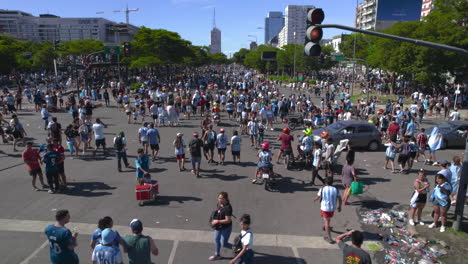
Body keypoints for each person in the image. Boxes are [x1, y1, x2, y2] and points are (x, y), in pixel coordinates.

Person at [315, 177, 342, 244]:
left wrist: (314, 199)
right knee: (328, 219)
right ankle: (325, 226)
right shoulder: (336, 189)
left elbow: (318, 197)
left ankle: (329, 238)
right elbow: (340, 199)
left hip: (324, 208)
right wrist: (339, 206)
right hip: (332, 208)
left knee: (327, 221)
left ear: (325, 182)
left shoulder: (322, 189)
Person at [209, 192, 233, 261]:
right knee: (216, 239)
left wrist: (217, 221)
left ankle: (238, 248)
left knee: (224, 243)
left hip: (226, 228)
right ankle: (217, 255)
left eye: (221, 198)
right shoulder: (220, 204)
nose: (219, 199)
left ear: (225, 199)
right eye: (219, 198)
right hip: (218, 227)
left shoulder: (227, 208)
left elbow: (228, 220)